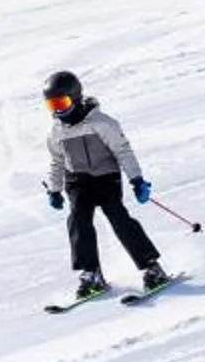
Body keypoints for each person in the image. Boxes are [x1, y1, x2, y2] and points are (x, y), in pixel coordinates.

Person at [43, 70, 169, 300]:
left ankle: (152, 267)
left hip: (106, 177)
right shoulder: (56, 131)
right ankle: (91, 273)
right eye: (52, 105)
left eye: (62, 102)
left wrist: (136, 179)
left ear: (75, 97)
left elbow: (122, 151)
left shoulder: (102, 123)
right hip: (77, 181)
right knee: (78, 220)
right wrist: (54, 189)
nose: (58, 110)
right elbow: (57, 161)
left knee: (119, 218)